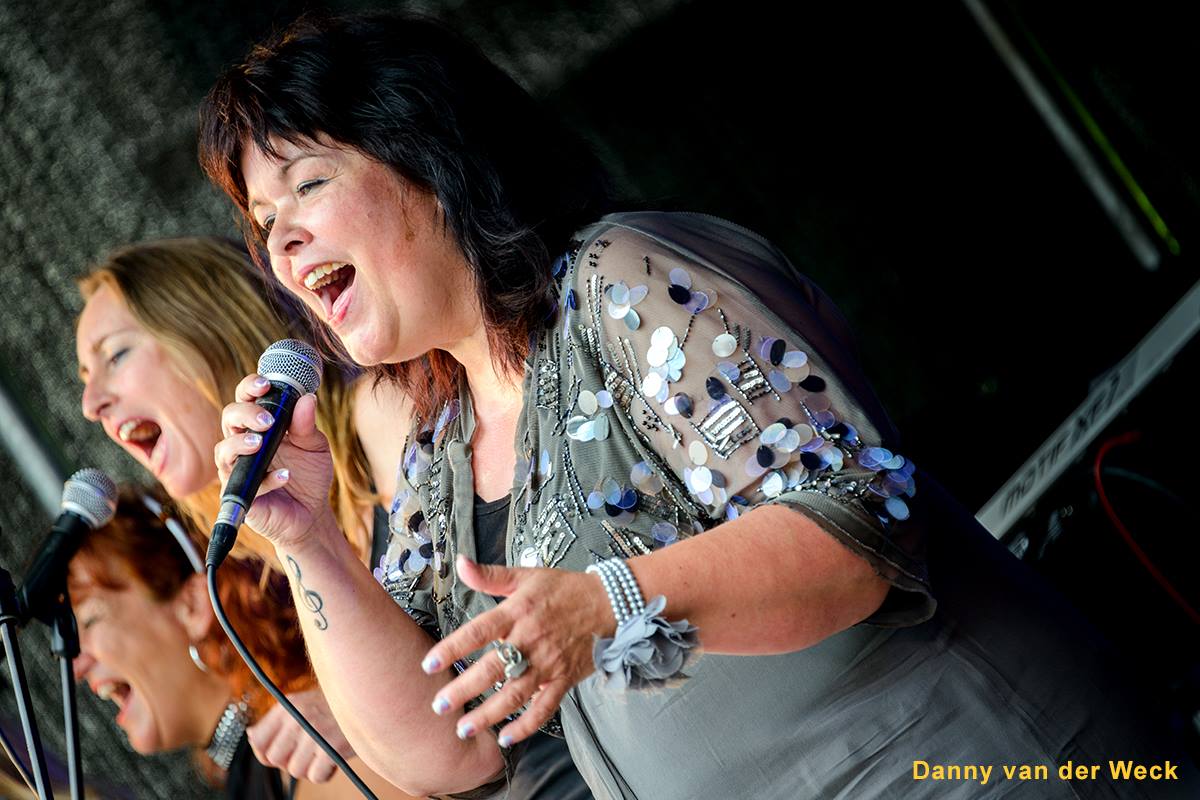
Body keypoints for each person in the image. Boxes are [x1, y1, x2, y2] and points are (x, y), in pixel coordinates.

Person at [198, 11, 1198, 800]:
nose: (281, 241)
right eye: (264, 220)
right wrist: (308, 539)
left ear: (429, 155)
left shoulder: (622, 278)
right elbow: (447, 751)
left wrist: (613, 598)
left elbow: (860, 519)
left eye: (309, 184)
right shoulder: (439, 446)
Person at [74, 236, 589, 798]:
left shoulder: (381, 419)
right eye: (83, 377)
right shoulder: (261, 554)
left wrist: (351, 712)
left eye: (116, 356)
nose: (91, 404)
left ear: (203, 331)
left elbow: (537, 593)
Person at [69, 486, 338, 799]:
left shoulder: (318, 744)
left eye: (90, 620)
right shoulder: (262, 763)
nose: (75, 666)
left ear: (193, 605)